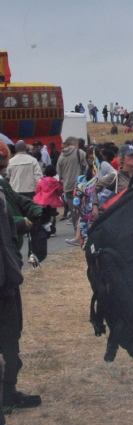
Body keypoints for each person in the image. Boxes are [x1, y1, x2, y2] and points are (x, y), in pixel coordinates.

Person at [0, 145, 41, 408]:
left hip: (7, 274)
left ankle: (8, 392)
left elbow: (17, 202)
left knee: (12, 334)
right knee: (6, 336)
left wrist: (37, 212)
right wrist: (21, 222)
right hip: (3, 276)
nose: (4, 165)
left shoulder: (2, 186)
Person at [32, 165, 64, 251]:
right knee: (53, 215)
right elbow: (59, 191)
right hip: (52, 201)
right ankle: (53, 229)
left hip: (42, 200)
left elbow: (38, 190)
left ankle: (44, 228)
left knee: (44, 215)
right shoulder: (55, 182)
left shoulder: (42, 181)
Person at [56, 138, 87, 216]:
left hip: (68, 186)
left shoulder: (61, 157)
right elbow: (87, 166)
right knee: (83, 208)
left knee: (73, 209)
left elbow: (59, 172)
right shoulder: (80, 152)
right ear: (74, 144)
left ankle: (75, 224)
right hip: (81, 184)